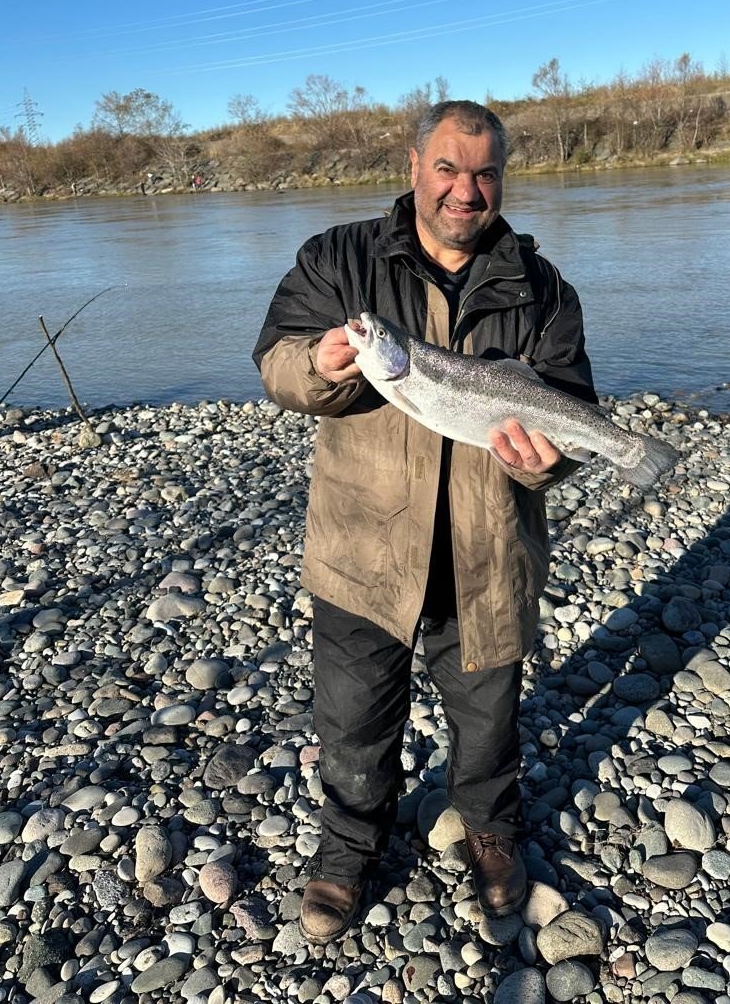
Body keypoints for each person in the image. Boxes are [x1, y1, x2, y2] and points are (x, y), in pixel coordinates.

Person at [253, 100, 596, 943]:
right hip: (362, 553)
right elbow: (277, 364)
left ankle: (489, 832)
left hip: (486, 558)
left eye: (484, 174)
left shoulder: (543, 288)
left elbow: (574, 413)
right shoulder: (338, 258)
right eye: (447, 169)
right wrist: (323, 364)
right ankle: (348, 850)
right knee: (354, 724)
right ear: (413, 167)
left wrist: (547, 462)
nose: (465, 191)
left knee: (488, 725)